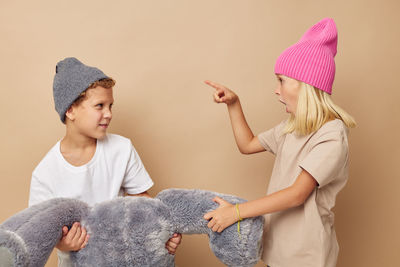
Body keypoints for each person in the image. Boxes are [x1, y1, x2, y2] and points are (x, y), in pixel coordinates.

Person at [203, 18, 356, 267]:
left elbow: (297, 194)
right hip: (278, 251)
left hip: (307, 256)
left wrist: (236, 213)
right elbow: (248, 144)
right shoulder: (293, 126)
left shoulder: (331, 134)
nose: (276, 89)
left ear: (306, 84)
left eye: (281, 80)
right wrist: (234, 104)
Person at [28, 57, 181, 266]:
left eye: (111, 106)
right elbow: (39, 234)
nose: (108, 114)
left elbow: (145, 204)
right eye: (99, 106)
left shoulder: (122, 148)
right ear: (70, 110)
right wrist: (63, 244)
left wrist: (164, 236)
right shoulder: (45, 173)